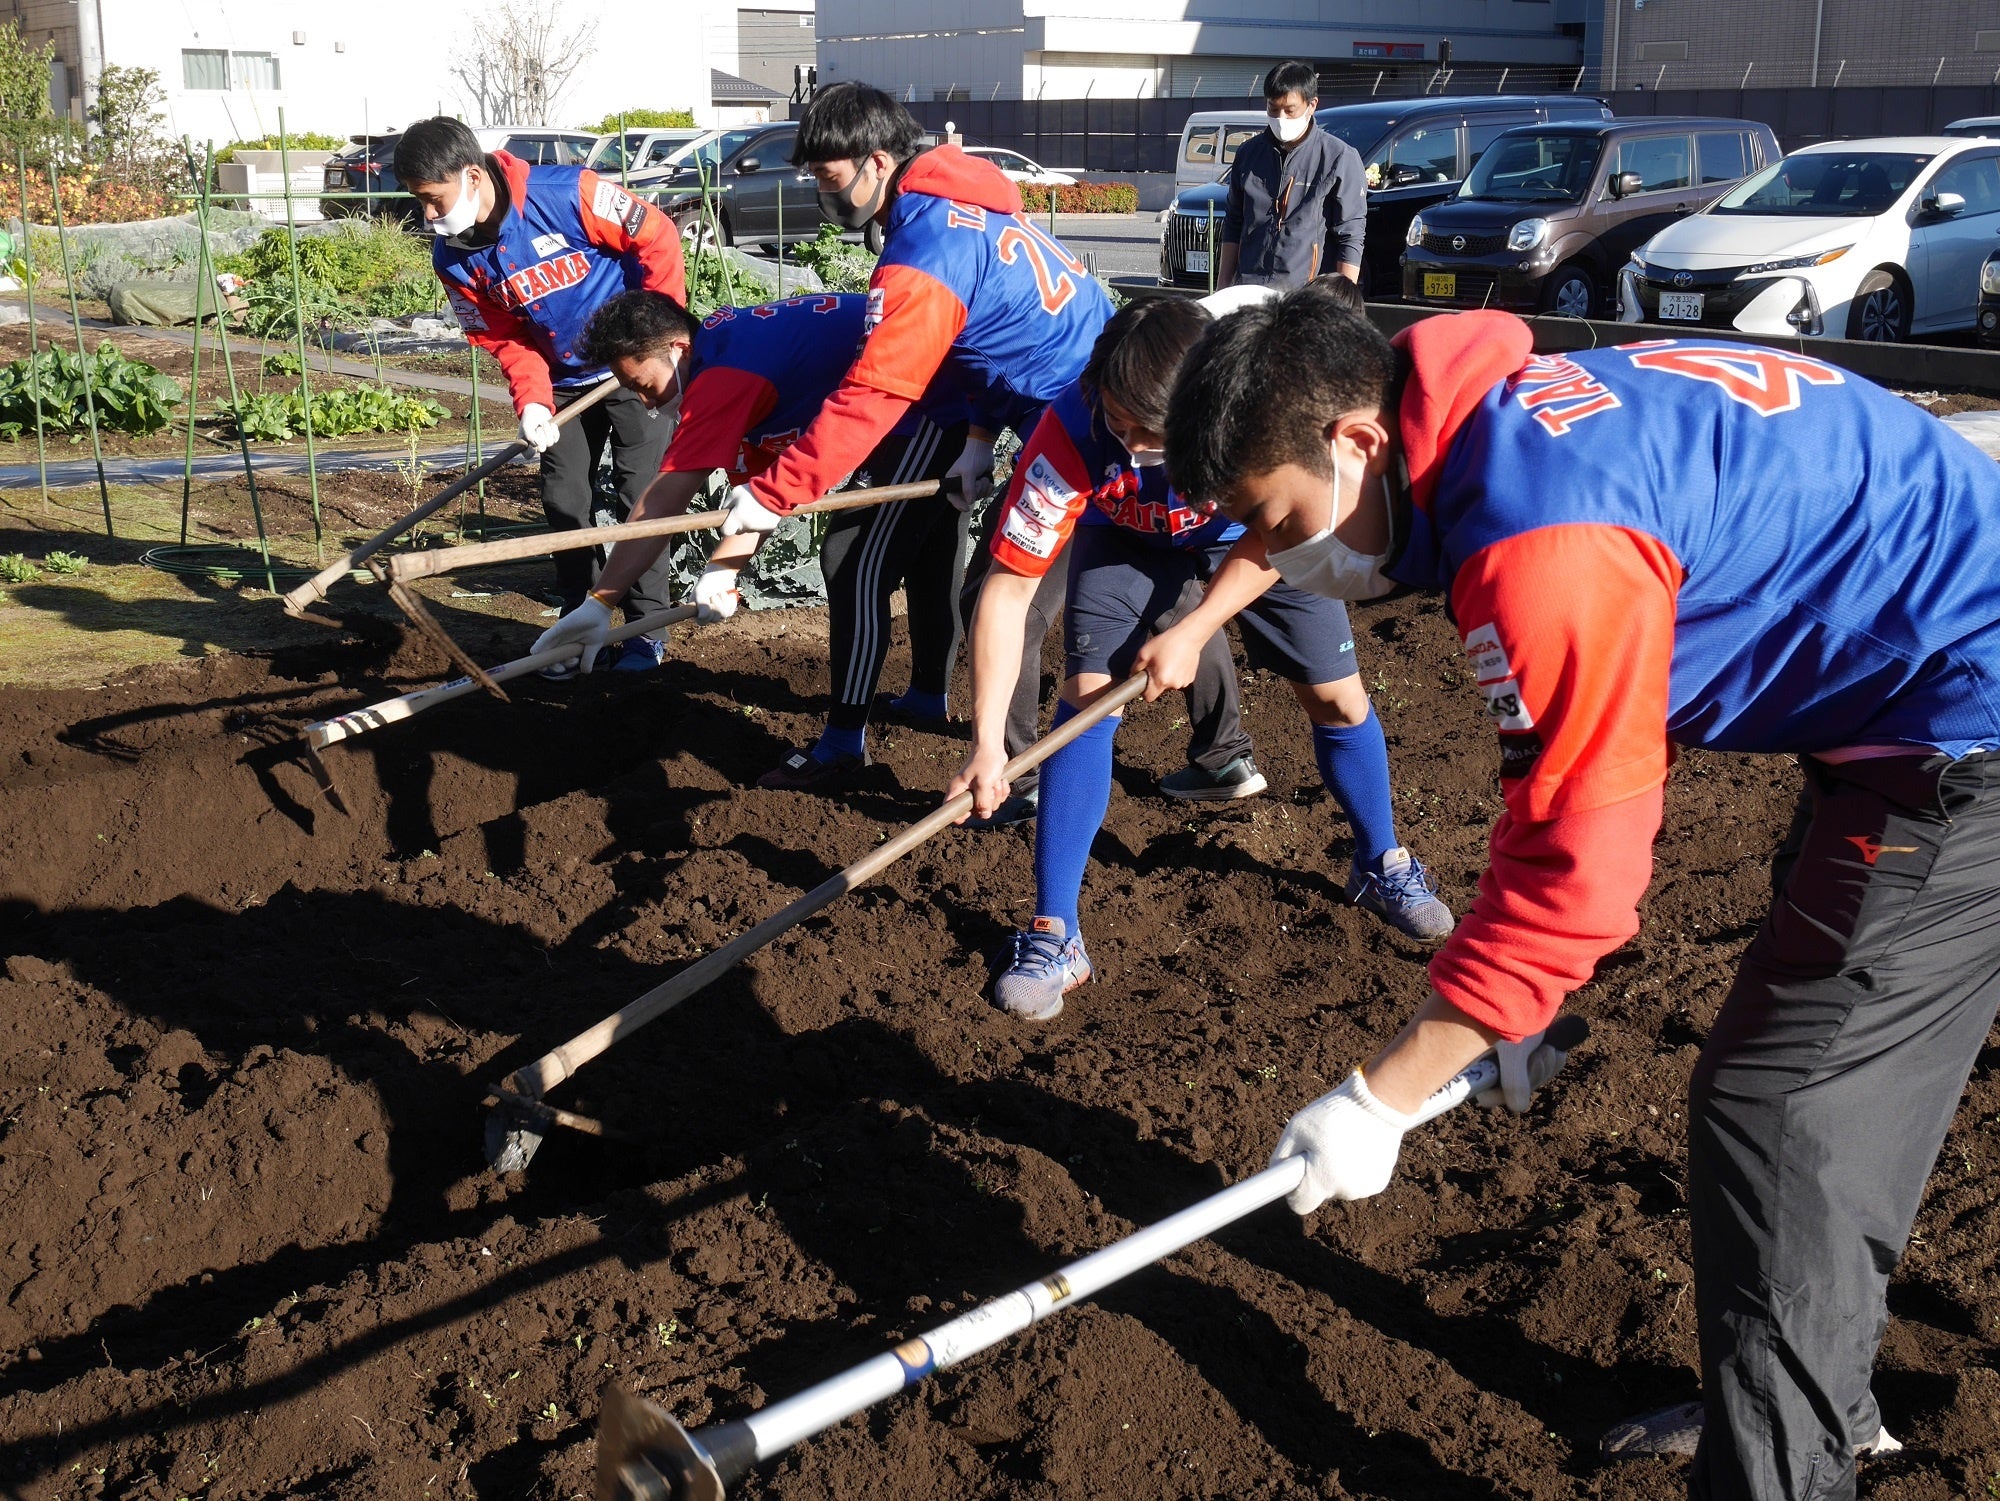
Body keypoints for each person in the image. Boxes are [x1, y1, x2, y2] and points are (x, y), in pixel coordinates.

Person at [1169, 279, 2000, 1500]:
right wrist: (1510, 1007)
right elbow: (1579, 782)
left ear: (1354, 441)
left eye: (1273, 519)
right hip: (1898, 689)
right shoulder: (1498, 412)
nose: (1274, 558)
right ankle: (1806, 1394)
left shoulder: (1538, 539)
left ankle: (1784, 1470)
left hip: (1962, 720)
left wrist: (1376, 1100)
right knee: (1807, 1078)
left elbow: (1575, 878)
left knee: (1782, 1104)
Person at [947, 292, 1454, 1020]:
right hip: (1127, 541)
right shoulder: (1067, 434)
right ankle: (1056, 931)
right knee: (1086, 699)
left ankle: (1380, 862)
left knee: (1337, 696)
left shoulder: (1253, 410)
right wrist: (989, 742)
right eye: (1116, 424)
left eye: (1149, 436)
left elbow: (1285, 531)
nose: (1128, 447)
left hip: (1259, 536)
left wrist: (1196, 626)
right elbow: (1006, 590)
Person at [707, 82, 1119, 822]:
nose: (823, 194)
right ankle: (1222, 752)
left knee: (1007, 597)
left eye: (829, 178)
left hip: (1086, 412)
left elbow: (877, 391)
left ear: (875, 161)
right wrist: (974, 436)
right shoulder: (952, 205)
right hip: (1063, 390)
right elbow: (987, 341)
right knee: (1155, 563)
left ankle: (1016, 780)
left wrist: (774, 492)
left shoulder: (925, 247)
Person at [531, 288, 974, 789]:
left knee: (851, 558)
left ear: (676, 349)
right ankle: (926, 698)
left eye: (644, 385)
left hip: (927, 392)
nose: (643, 401)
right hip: (920, 382)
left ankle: (842, 748)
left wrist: (599, 601)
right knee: (929, 537)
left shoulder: (722, 378)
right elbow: (762, 493)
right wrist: (723, 571)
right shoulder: (723, 350)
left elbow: (661, 502)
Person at [395, 117, 686, 675]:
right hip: (560, 382)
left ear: (473, 175)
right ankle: (578, 623)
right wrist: (531, 400)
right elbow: (501, 335)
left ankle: (647, 630)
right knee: (563, 497)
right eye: (420, 202)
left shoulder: (570, 195)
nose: (428, 215)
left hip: (630, 367)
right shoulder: (454, 259)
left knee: (639, 496)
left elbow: (656, 235)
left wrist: (654, 340)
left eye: (433, 199)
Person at [1216, 61, 1367, 291]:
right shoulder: (1248, 154)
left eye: (1289, 110)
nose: (1280, 118)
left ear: (1312, 105)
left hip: (1309, 295)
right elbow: (1234, 223)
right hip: (1249, 289)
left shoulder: (1339, 157)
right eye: (1273, 109)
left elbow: (1351, 235)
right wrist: (1223, 287)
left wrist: (1343, 304)